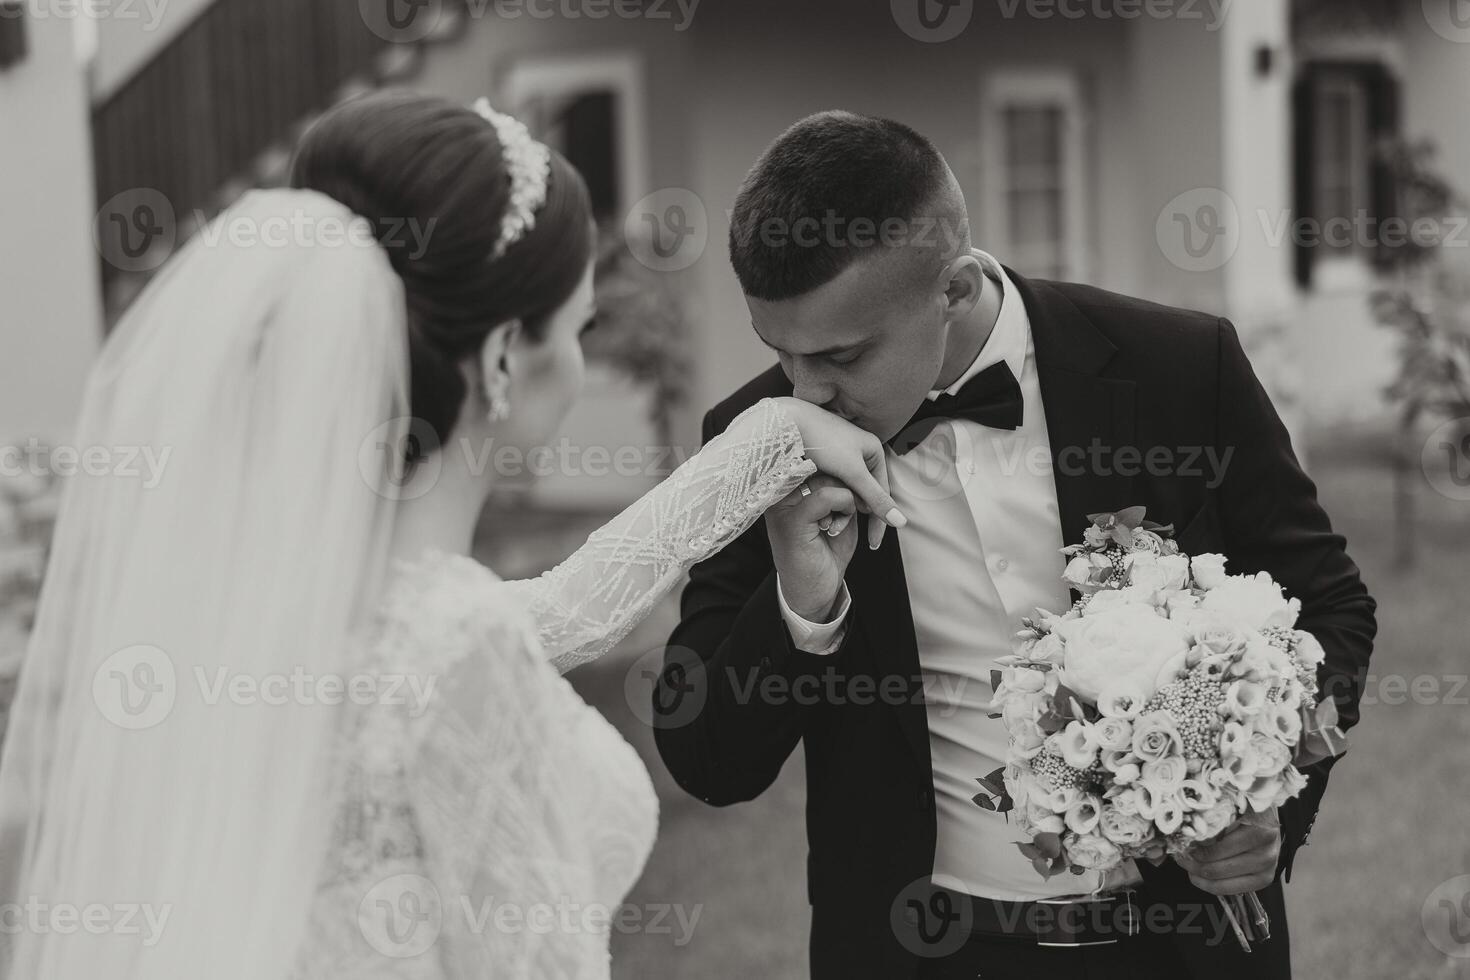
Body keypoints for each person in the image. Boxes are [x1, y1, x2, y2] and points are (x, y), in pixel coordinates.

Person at [0, 91, 900, 980]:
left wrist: (770, 439)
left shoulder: (266, 608)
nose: (584, 352)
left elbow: (563, 609)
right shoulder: (454, 645)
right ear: (507, 356)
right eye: (580, 324)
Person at [657, 110, 1378, 980]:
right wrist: (800, 601)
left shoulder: (1181, 368)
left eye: (842, 356)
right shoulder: (754, 441)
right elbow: (709, 760)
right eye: (781, 353)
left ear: (955, 289)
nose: (807, 391)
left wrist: (1268, 799)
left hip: (1181, 951)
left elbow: (1331, 605)